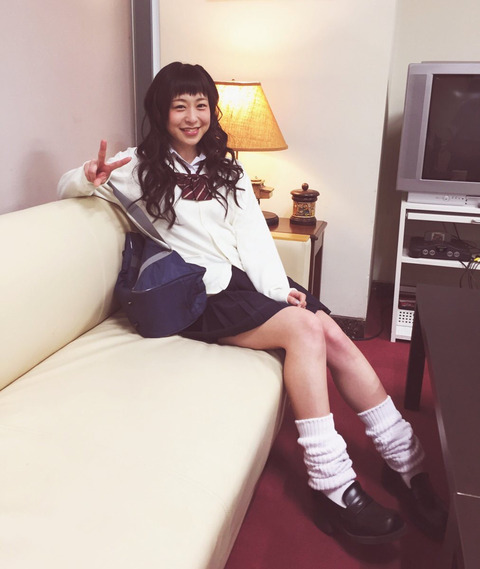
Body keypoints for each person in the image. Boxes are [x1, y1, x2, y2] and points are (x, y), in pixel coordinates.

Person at [58, 61, 447, 545]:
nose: (192, 117)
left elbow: (253, 237)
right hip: (195, 293)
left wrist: (277, 290)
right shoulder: (137, 165)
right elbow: (69, 186)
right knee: (305, 328)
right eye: (180, 106)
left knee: (329, 329)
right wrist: (88, 176)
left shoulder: (228, 167)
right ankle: (332, 484)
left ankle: (405, 462)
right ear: (160, 112)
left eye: (201, 105)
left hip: (241, 282)